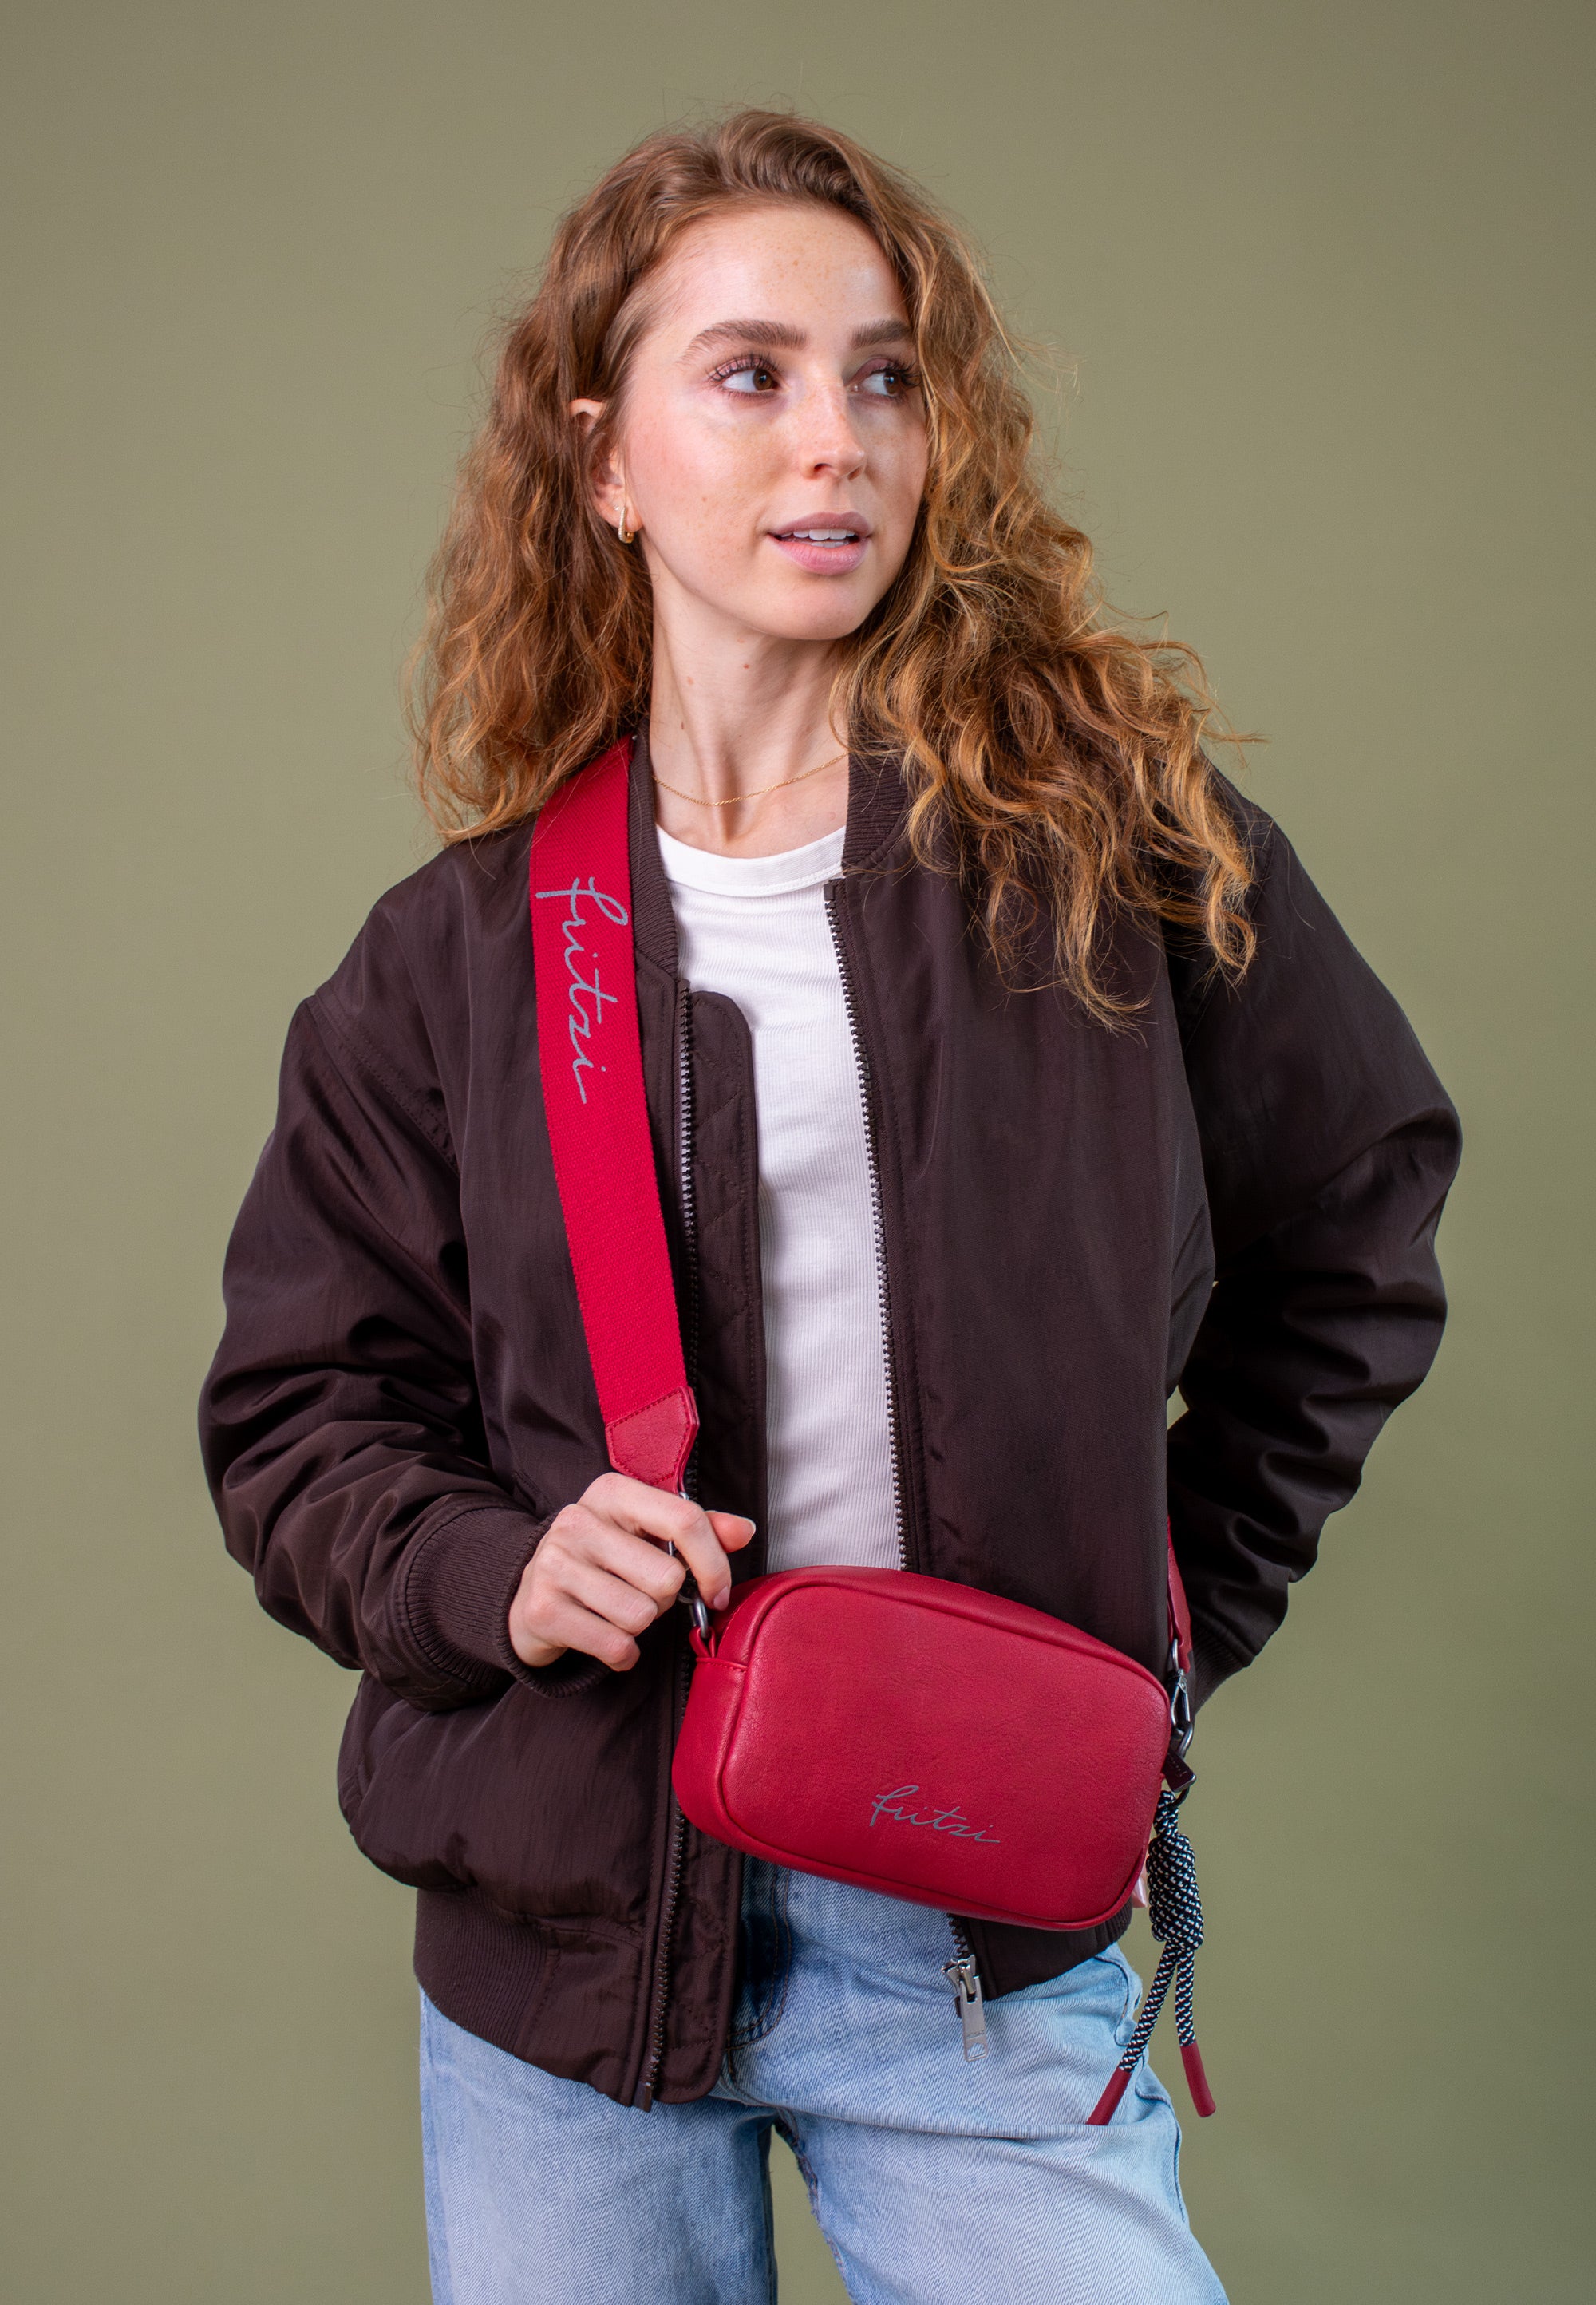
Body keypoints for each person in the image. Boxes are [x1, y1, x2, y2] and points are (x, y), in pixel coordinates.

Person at [200, 110, 1460, 2305]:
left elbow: (1356, 1233)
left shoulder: (1119, 866)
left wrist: (1163, 1625)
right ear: (604, 459)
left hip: (975, 1925)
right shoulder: (453, 963)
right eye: (751, 374)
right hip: (566, 1963)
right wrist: (500, 1571)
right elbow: (300, 1416)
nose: (837, 442)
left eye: (886, 377)